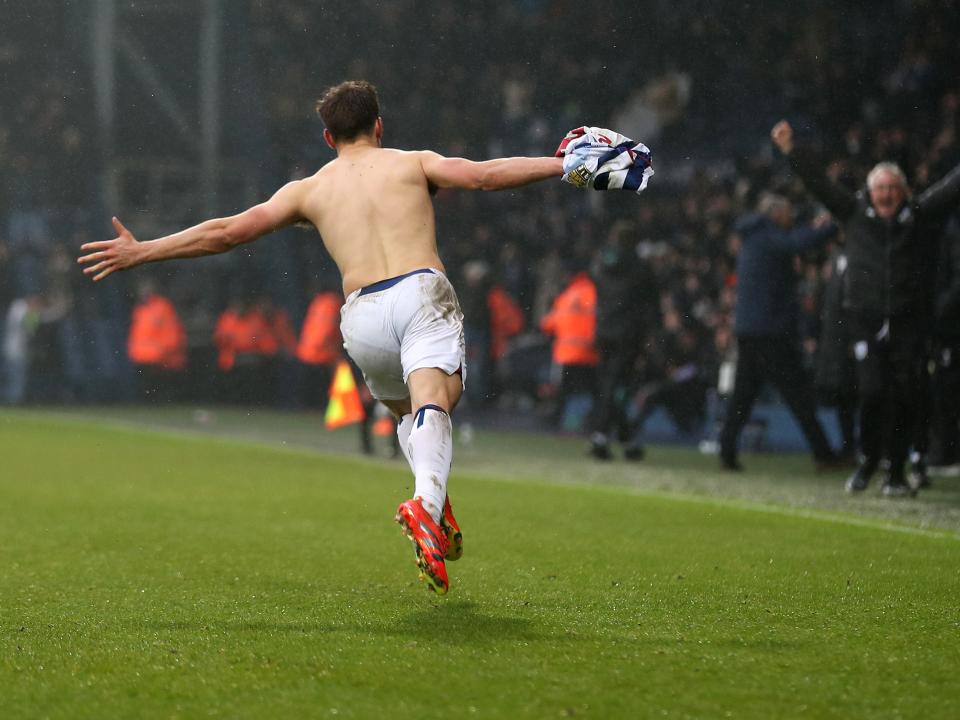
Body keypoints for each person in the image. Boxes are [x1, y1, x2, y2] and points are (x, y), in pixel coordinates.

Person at [77, 80, 581, 595]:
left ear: (327, 137)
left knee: (408, 413)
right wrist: (563, 165)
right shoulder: (411, 163)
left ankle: (435, 502)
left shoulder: (309, 190)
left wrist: (144, 251)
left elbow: (226, 233)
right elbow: (485, 177)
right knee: (437, 399)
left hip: (362, 315)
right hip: (420, 292)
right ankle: (427, 504)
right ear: (378, 126)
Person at [772, 119, 960, 496]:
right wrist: (794, 151)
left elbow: (953, 187)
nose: (887, 194)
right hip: (867, 319)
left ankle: (894, 472)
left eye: (893, 188)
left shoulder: (919, 216)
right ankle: (868, 462)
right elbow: (820, 185)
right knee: (873, 393)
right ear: (869, 193)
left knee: (906, 394)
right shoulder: (854, 213)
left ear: (904, 191)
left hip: (909, 321)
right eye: (880, 188)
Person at [718, 192, 841, 472]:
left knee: (742, 397)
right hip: (770, 331)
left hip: (751, 329)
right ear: (775, 214)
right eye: (787, 211)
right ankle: (824, 454)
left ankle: (727, 451)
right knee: (798, 396)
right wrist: (832, 225)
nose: (791, 215)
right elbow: (800, 242)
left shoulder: (753, 235)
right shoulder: (767, 235)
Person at [587, 220, 659, 460]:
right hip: (628, 334)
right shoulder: (640, 268)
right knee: (617, 388)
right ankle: (602, 436)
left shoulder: (600, 264)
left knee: (608, 385)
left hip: (604, 330)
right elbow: (652, 303)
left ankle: (624, 440)